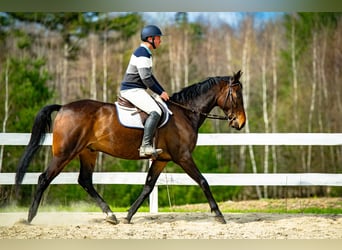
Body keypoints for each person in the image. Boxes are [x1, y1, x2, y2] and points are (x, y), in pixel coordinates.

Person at [120, 25, 170, 158]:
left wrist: (162, 91)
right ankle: (145, 146)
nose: (160, 41)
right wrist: (160, 92)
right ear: (150, 38)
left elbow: (150, 76)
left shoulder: (145, 52)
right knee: (156, 112)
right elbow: (146, 78)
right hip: (132, 90)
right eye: (158, 38)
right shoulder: (142, 53)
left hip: (136, 89)